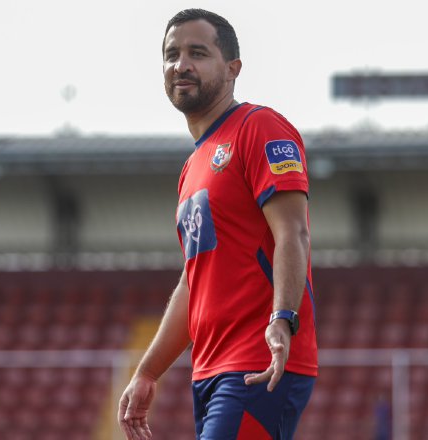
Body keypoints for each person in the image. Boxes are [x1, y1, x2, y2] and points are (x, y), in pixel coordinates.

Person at [118, 8, 317, 440]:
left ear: (233, 69)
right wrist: (149, 372)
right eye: (171, 54)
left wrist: (282, 318)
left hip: (258, 362)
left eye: (197, 53)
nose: (181, 65)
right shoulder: (192, 167)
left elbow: (292, 233)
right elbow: (194, 281)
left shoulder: (260, 127)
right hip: (209, 370)